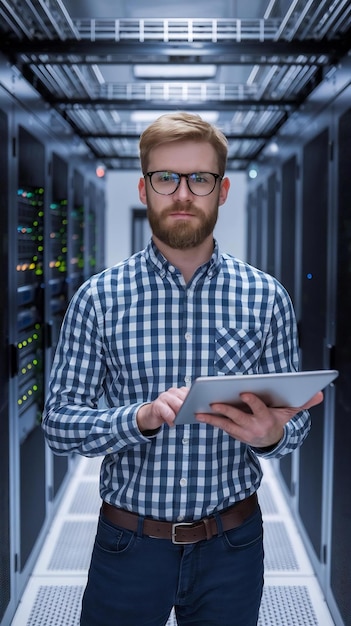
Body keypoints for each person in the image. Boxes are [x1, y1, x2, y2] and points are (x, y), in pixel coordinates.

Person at [42, 111, 323, 626]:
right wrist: (140, 417)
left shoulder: (265, 297)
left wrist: (267, 436)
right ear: (144, 188)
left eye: (200, 178)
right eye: (166, 177)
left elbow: (295, 426)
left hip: (232, 546)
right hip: (129, 544)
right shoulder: (99, 299)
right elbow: (59, 424)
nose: (183, 193)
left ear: (223, 190)